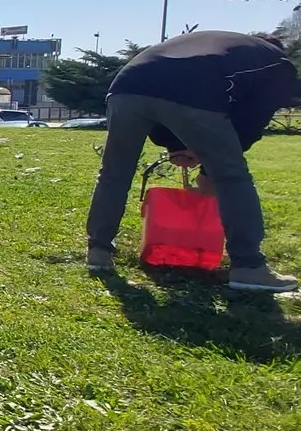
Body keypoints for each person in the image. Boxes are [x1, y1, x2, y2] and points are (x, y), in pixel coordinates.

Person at [85, 30, 299, 292]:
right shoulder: (276, 62)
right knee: (232, 177)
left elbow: (158, 95)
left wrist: (178, 146)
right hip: (189, 90)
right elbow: (250, 121)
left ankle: (99, 251)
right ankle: (248, 267)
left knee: (114, 173)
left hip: (126, 85)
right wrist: (209, 169)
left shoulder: (220, 46)